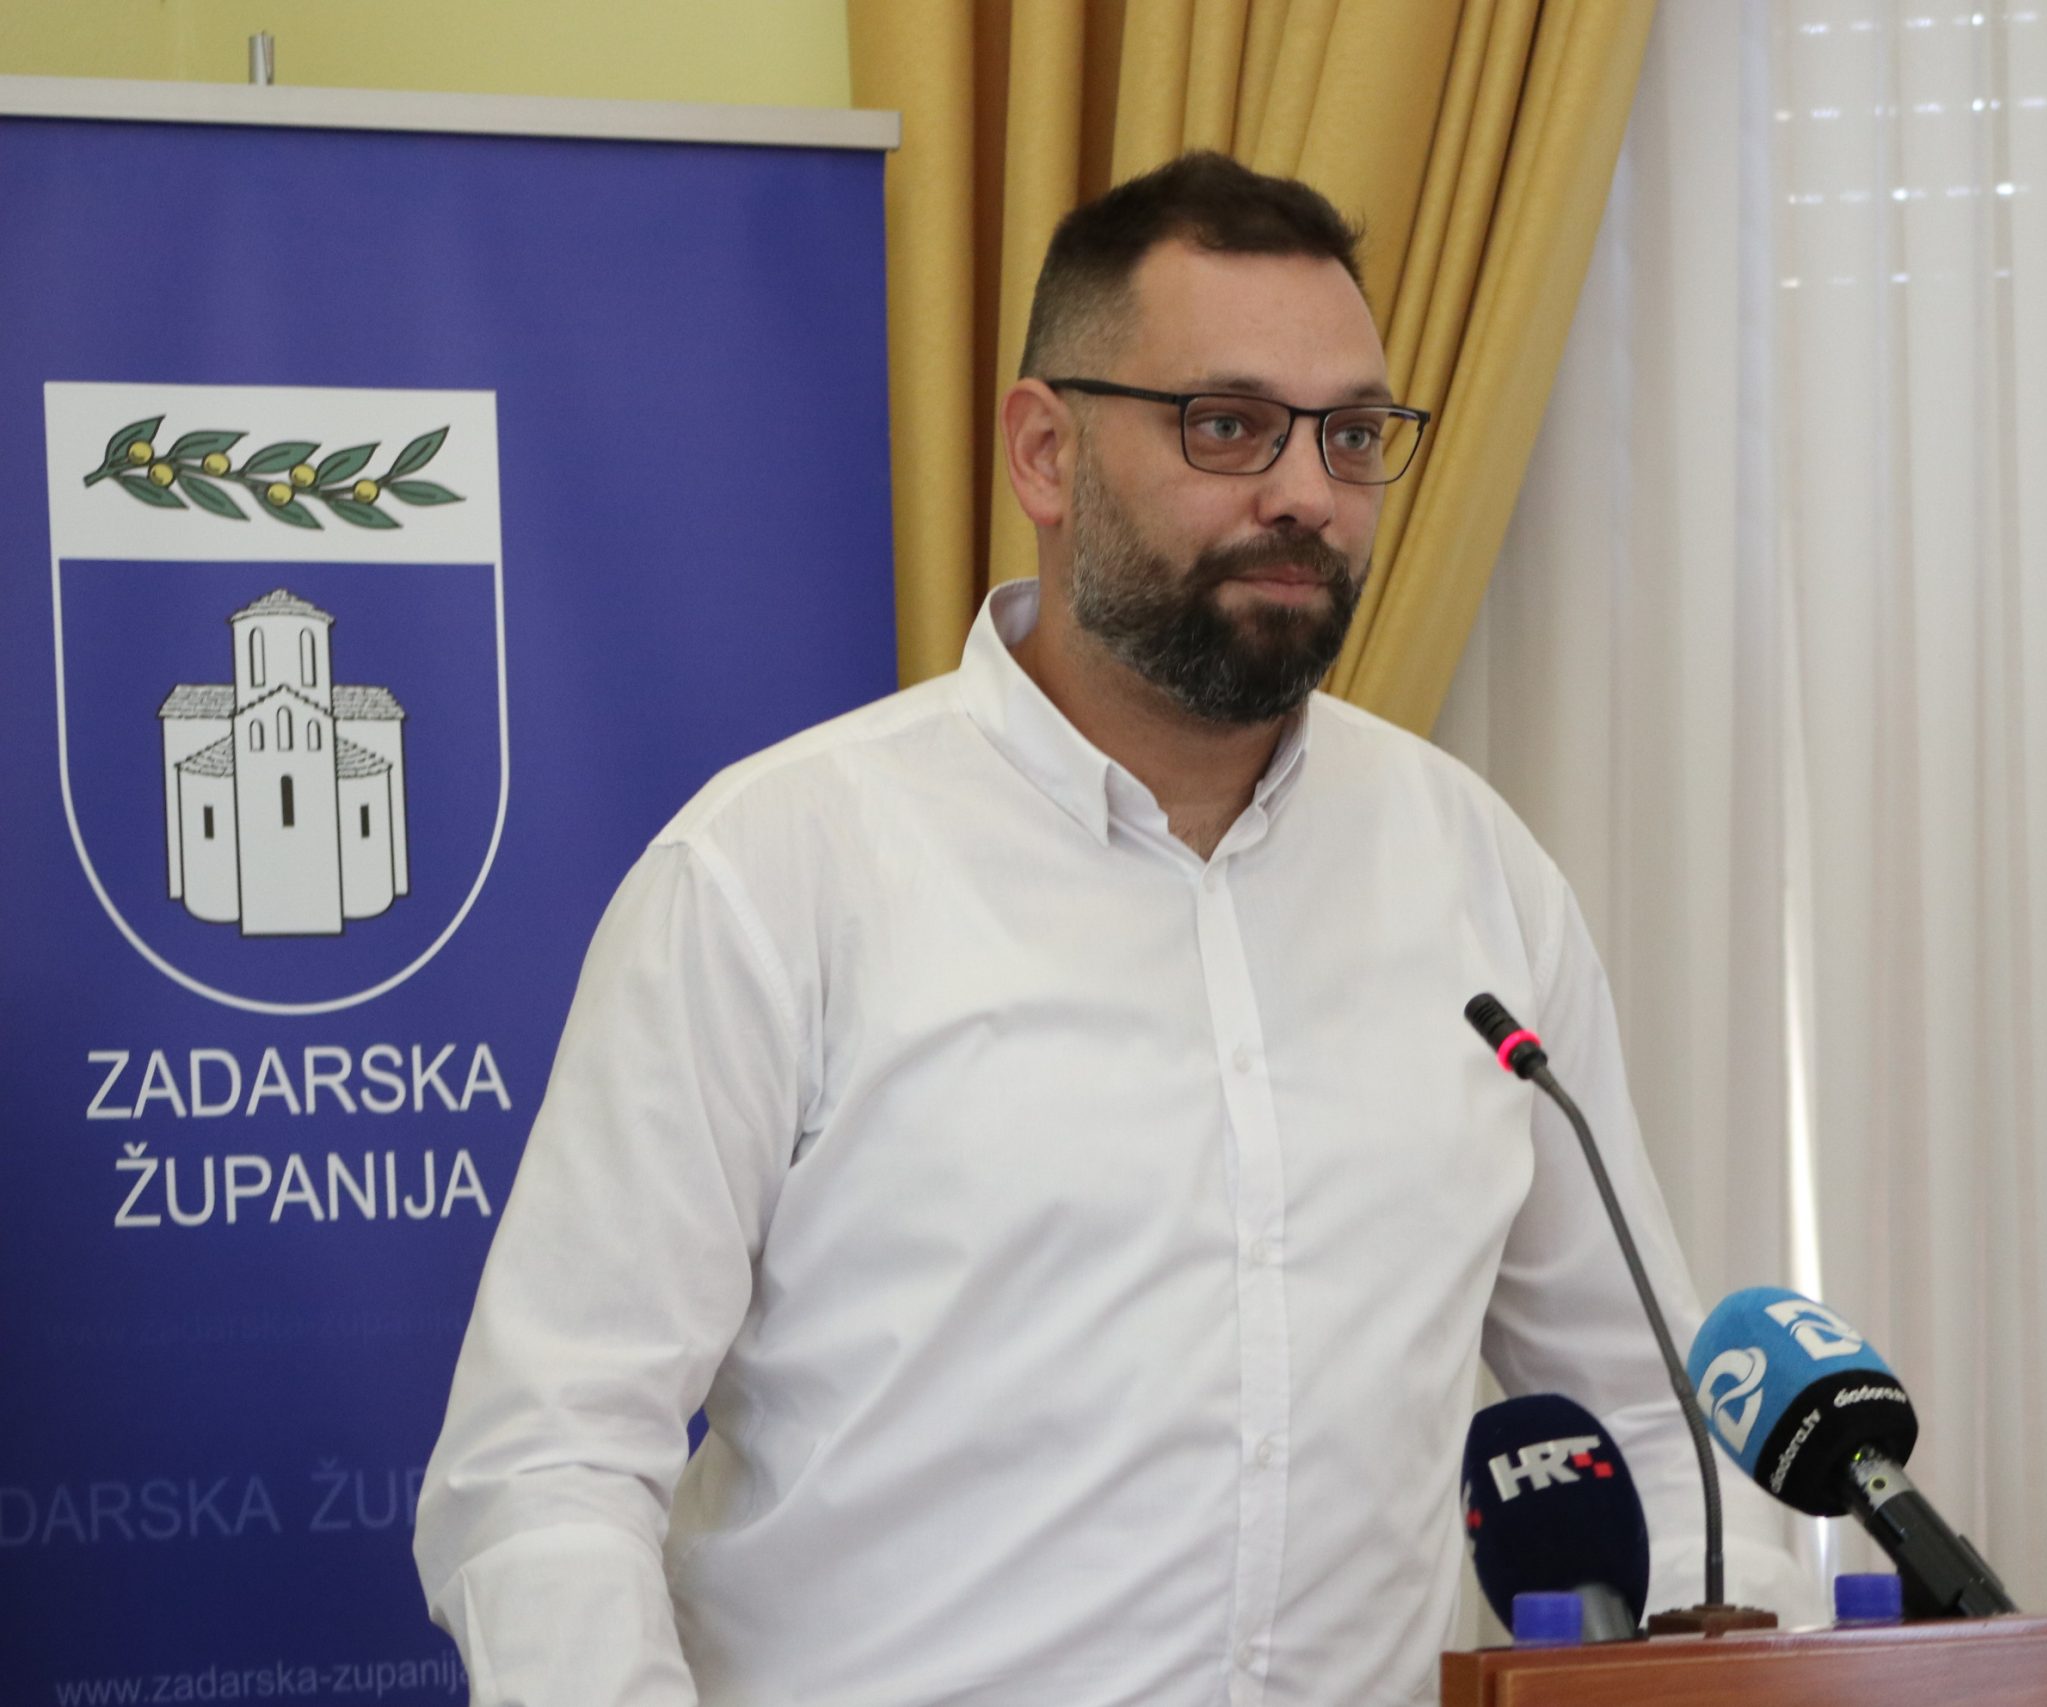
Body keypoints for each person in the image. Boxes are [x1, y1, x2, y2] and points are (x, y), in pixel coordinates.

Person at [415, 151, 1730, 1707]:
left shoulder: (1473, 872)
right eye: (1227, 425)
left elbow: (1648, 1416)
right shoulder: (776, 872)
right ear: (1044, 450)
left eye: (1352, 435)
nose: (1307, 495)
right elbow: (548, 1461)